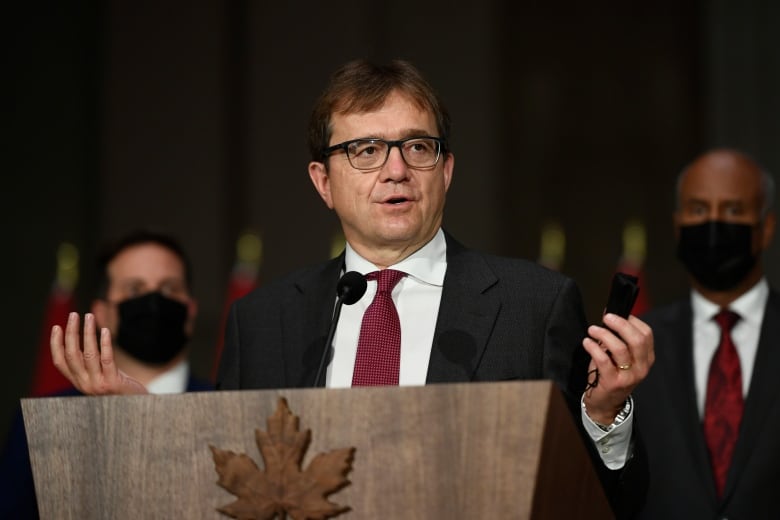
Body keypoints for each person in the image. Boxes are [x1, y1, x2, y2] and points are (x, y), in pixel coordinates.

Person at [51, 60, 654, 518]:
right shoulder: (262, 322)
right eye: (365, 150)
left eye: (417, 146)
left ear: (445, 170)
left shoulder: (534, 304)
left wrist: (605, 417)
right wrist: (146, 432)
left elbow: (605, 502)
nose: (396, 169)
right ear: (323, 181)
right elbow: (234, 493)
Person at [0, 230, 213, 518]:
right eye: (134, 289)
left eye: (169, 288)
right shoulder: (42, 422)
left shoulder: (225, 409)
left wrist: (150, 416)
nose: (153, 301)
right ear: (101, 313)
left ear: (190, 311)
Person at [633, 149, 778, 519]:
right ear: (678, 225)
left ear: (765, 228)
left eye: (732, 211)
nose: (713, 224)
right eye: (698, 210)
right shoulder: (638, 344)